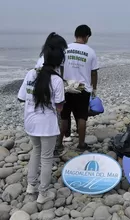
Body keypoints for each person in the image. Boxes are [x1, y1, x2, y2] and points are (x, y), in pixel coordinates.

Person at [17, 43, 65, 203]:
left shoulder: (31, 73)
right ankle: (42, 194)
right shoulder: (57, 80)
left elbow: (21, 97)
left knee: (35, 152)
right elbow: (59, 107)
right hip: (47, 126)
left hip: (30, 122)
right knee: (46, 158)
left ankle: (31, 186)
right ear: (59, 63)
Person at [58, 24, 99, 151]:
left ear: (75, 35)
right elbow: (94, 72)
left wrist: (62, 81)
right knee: (82, 116)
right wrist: (94, 88)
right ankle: (81, 144)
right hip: (82, 88)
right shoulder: (91, 52)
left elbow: (61, 67)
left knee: (64, 117)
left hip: (67, 87)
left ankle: (59, 144)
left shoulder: (65, 49)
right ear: (86, 37)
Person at [33, 32, 73, 156]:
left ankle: (49, 147)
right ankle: (54, 147)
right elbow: (58, 106)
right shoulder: (49, 61)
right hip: (49, 106)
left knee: (38, 148)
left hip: (37, 112)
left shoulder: (45, 58)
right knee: (58, 119)